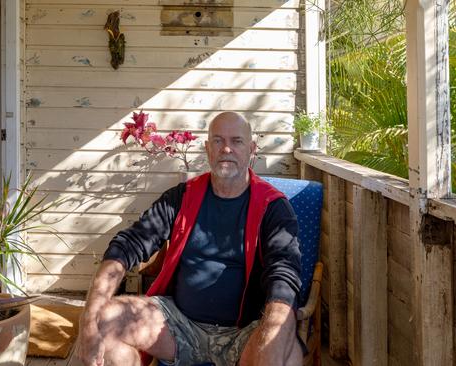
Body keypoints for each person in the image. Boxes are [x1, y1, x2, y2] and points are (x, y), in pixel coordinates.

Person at [76, 112, 302, 366]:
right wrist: (90, 316)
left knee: (287, 353)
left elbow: (284, 275)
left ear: (251, 149)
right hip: (179, 327)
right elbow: (129, 244)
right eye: (217, 141)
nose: (226, 149)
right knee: (105, 318)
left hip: (245, 332)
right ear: (207, 148)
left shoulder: (273, 207)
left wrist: (274, 335)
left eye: (236, 141)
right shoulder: (182, 197)